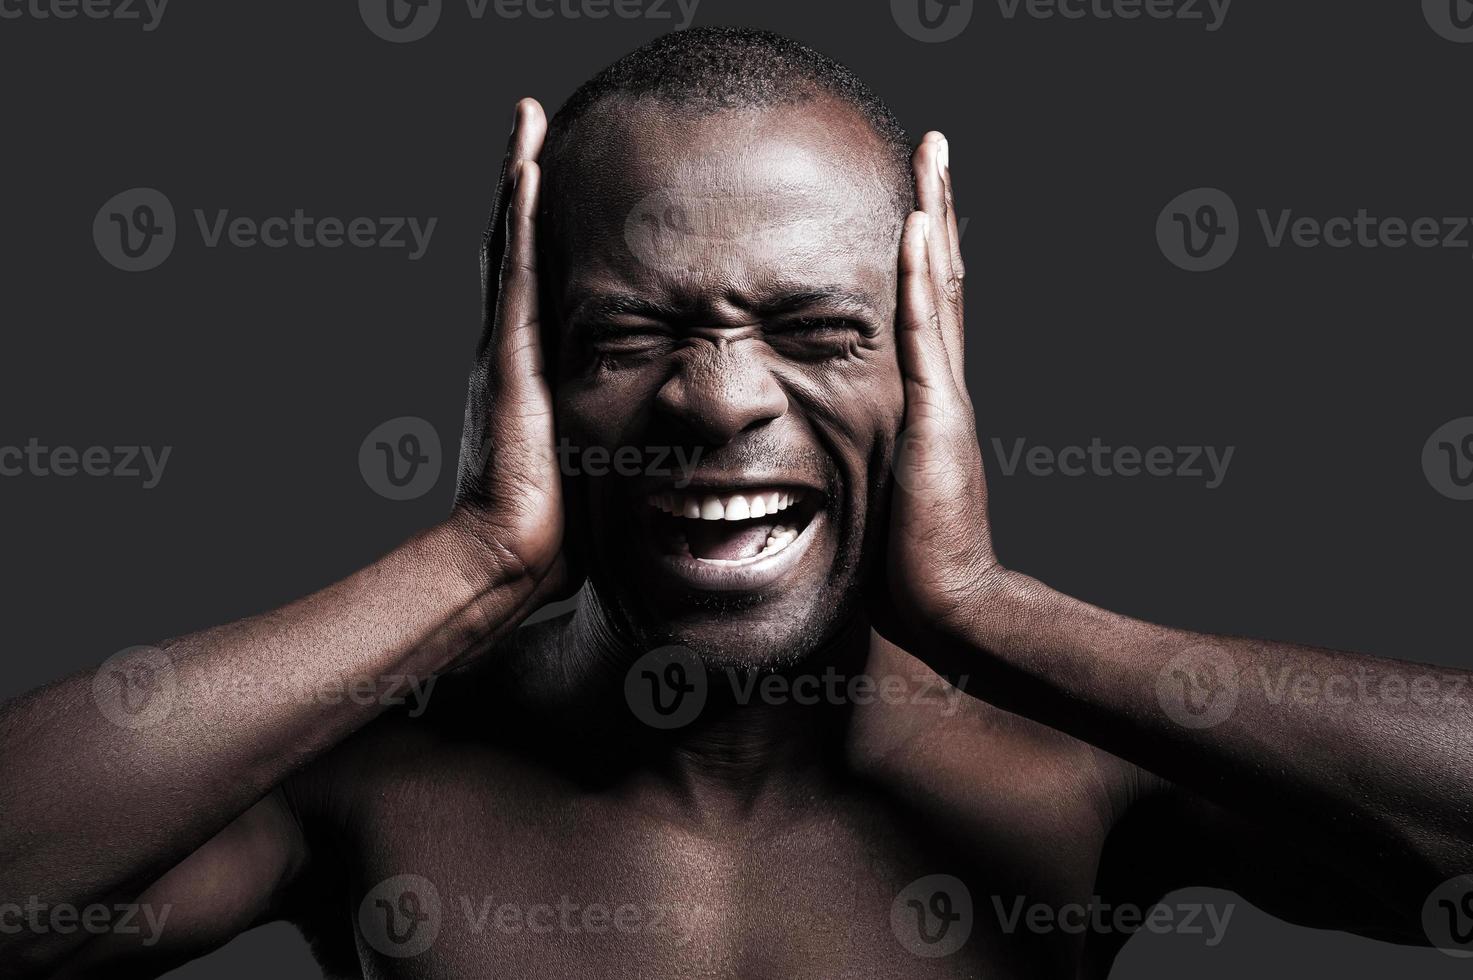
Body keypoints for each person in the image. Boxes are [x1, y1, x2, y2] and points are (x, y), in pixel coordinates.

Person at [2, 27, 1469, 979]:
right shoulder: (371, 775)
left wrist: (989, 616)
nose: (714, 402)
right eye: (627, 338)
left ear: (929, 359)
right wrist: (476, 563)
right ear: (521, 367)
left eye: (820, 331)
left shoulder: (1081, 771)